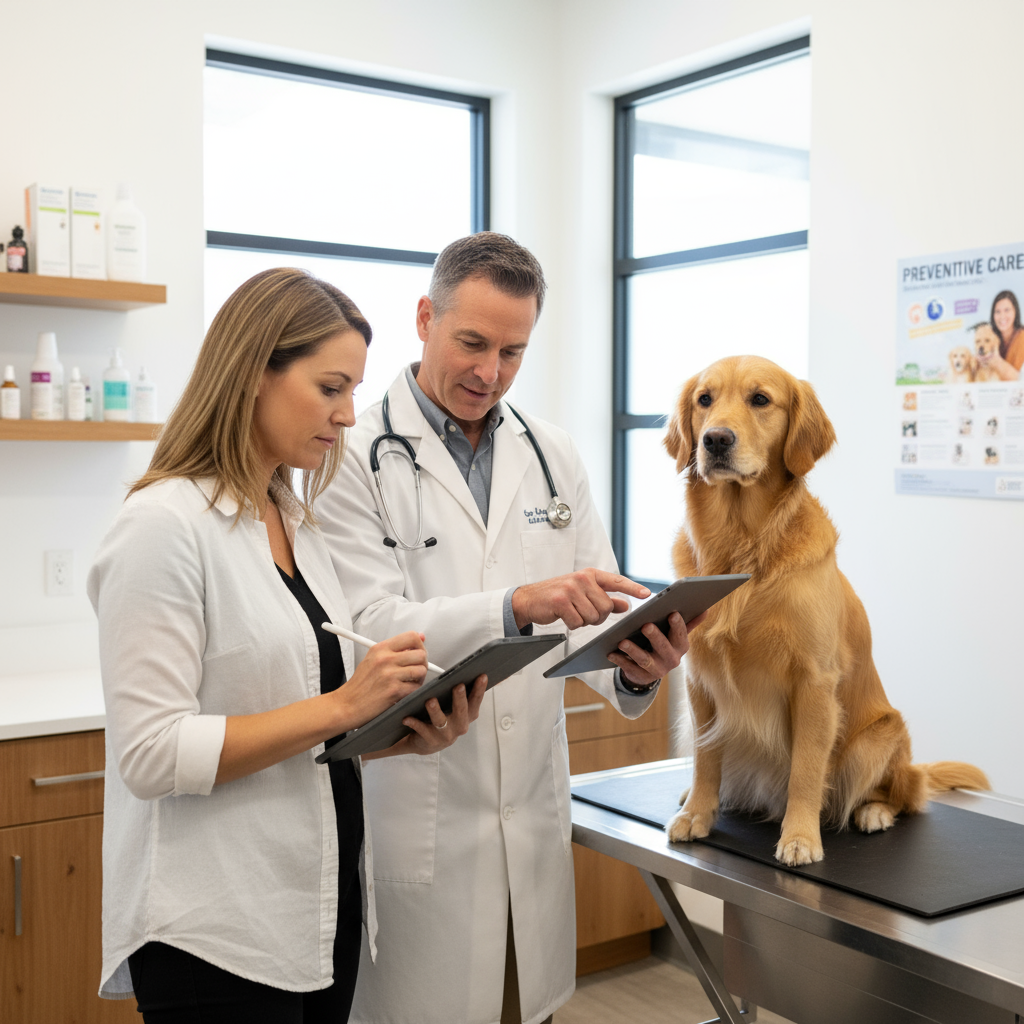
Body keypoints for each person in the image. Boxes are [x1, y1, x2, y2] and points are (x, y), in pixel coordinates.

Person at [317, 232, 702, 1024]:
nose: (490, 372)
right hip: (415, 814)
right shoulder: (348, 454)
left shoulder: (552, 454)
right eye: (472, 342)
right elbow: (367, 627)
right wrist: (514, 605)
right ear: (425, 318)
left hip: (527, 817)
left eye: (513, 352)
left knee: (527, 1010)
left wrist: (636, 663)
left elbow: (592, 615)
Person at [86, 267, 486, 1023]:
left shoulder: (292, 521)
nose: (346, 415)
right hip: (214, 931)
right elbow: (151, 755)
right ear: (252, 375)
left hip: (315, 909)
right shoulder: (164, 527)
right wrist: (344, 703)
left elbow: (285, 724)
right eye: (330, 387)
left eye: (353, 391)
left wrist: (394, 737)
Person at [982, 289, 1024, 379]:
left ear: (1015, 312)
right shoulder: (990, 337)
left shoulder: (1022, 338)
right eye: (998, 312)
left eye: (1007, 310)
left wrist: (996, 361)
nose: (1002, 316)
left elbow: (1019, 379)